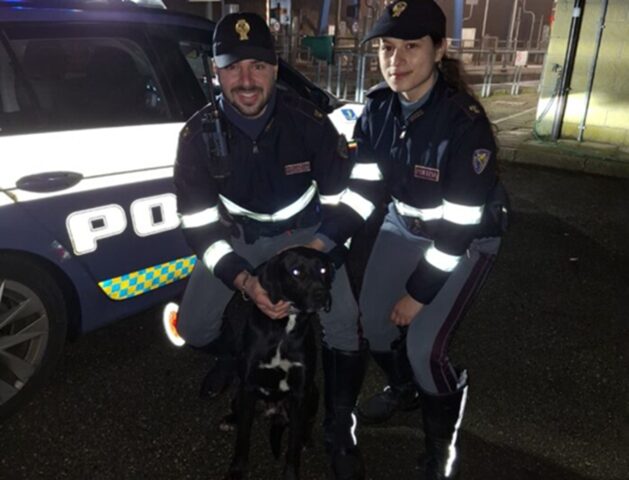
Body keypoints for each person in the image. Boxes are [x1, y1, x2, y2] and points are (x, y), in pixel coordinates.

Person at [172, 12, 373, 479]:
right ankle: (239, 361)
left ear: (275, 70)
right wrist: (243, 280)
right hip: (240, 239)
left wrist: (323, 249)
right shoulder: (195, 137)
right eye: (233, 67)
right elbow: (200, 227)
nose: (246, 80)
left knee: (343, 326)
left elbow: (352, 200)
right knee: (195, 327)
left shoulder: (309, 122)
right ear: (216, 71)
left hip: (308, 236)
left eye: (258, 66)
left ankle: (341, 426)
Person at [349, 1, 508, 479]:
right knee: (373, 323)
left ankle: (441, 447)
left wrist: (417, 296)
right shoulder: (377, 109)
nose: (395, 59)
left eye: (411, 47)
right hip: (405, 225)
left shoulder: (464, 124)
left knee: (424, 348)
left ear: (439, 50)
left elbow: (457, 230)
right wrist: (326, 239)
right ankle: (405, 390)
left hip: (466, 240)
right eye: (386, 47)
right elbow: (365, 192)